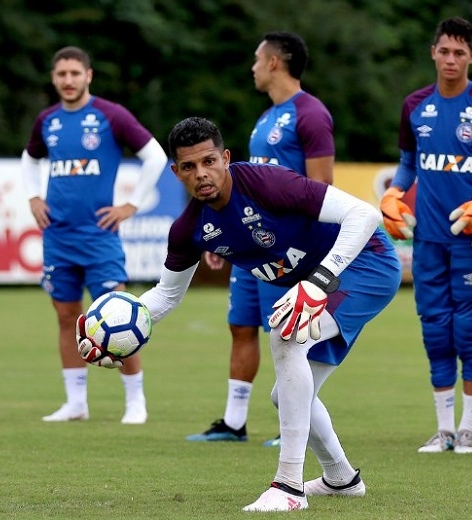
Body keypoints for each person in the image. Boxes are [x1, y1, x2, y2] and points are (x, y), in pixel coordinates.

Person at [76, 116, 401, 511]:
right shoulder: (188, 229)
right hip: (326, 280)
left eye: (210, 161)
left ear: (226, 157)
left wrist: (316, 283)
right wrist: (111, 329)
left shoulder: (266, 182)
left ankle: (289, 487)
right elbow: (165, 296)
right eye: (190, 167)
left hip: (367, 262)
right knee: (286, 396)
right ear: (176, 173)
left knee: (285, 332)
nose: (202, 173)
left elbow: (364, 216)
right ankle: (341, 479)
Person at [380, 17, 472, 454]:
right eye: (444, 51)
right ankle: (443, 430)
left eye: (460, 52)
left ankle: (469, 429)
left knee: (469, 331)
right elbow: (407, 163)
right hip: (428, 241)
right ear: (433, 53)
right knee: (436, 331)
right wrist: (393, 192)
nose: (451, 59)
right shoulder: (414, 106)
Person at [186, 31, 334, 447]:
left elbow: (323, 187)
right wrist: (226, 235)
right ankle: (234, 423)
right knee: (241, 326)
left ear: (274, 62)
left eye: (256, 59)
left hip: (285, 251)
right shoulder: (267, 117)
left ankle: (295, 427)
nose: (252, 66)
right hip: (251, 243)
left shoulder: (311, 113)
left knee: (286, 337)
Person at [21, 46, 168, 425]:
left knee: (119, 315)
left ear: (88, 76)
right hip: (58, 236)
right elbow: (30, 157)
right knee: (67, 316)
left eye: (75, 73)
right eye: (61, 74)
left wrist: (130, 205)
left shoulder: (110, 115)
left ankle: (136, 402)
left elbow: (155, 155)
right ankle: (76, 403)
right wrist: (34, 196)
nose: (68, 80)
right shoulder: (48, 120)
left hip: (100, 236)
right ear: (54, 79)